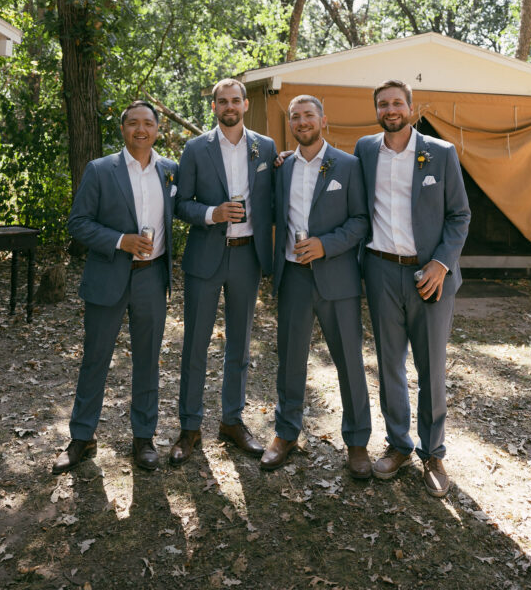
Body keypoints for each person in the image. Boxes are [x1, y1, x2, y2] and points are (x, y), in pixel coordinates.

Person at [354, 79, 470, 498]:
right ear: (377, 110)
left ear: (411, 107)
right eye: (383, 104)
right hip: (381, 270)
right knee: (389, 365)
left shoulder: (440, 153)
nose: (391, 109)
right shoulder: (365, 150)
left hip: (430, 275)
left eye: (397, 103)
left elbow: (460, 216)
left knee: (431, 367)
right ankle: (399, 444)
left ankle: (433, 452)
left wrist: (441, 264)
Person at [52, 101, 177, 474]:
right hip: (108, 276)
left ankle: (144, 437)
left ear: (158, 129)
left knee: (147, 360)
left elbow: (187, 206)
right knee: (95, 359)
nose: (141, 129)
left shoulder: (171, 171)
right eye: (134, 123)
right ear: (123, 129)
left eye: (148, 123)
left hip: (152, 277)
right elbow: (78, 223)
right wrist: (121, 240)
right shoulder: (100, 170)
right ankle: (82, 436)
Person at [260, 95, 372, 478]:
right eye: (295, 117)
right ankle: (286, 433)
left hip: (337, 278)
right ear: (290, 124)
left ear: (324, 120)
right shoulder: (282, 167)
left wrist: (326, 245)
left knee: (350, 364)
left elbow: (361, 220)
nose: (302, 121)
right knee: (290, 360)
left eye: (309, 115)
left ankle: (357, 442)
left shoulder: (349, 165)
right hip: (293, 276)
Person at [170, 78, 276, 465]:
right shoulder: (196, 148)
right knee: (195, 344)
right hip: (205, 257)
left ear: (246, 105)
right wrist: (212, 214)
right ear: (213, 107)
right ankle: (189, 426)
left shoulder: (265, 147)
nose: (229, 106)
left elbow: (275, 192)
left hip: (247, 257)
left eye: (235, 100)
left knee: (240, 346)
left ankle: (231, 421)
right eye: (222, 101)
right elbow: (181, 204)